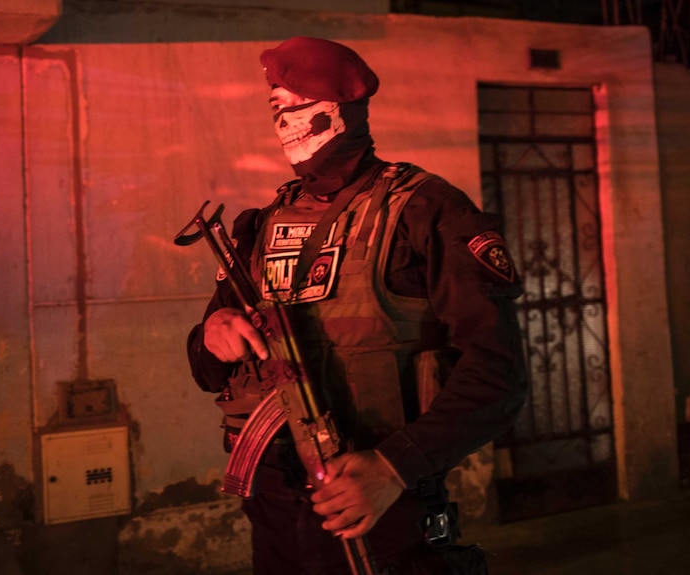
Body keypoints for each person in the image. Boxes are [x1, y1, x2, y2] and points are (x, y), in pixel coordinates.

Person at [186, 36, 527, 575]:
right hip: (274, 502)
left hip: (383, 498)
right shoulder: (263, 224)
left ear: (341, 109)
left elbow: (498, 374)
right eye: (276, 107)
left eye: (297, 104)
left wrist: (393, 468)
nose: (284, 120)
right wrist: (212, 334)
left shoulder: (425, 210)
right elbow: (207, 370)